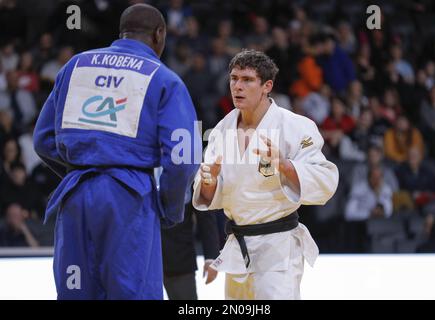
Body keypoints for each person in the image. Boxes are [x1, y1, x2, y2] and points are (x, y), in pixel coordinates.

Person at [33, 4, 200, 300]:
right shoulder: (165, 79)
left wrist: (83, 172)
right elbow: (183, 159)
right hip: (129, 198)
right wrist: (169, 208)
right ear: (159, 35)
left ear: (121, 33)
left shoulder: (75, 66)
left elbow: (43, 140)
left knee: (76, 294)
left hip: (75, 196)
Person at [192, 49, 339, 300]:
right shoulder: (221, 130)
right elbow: (208, 196)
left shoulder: (294, 126)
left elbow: (326, 180)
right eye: (234, 78)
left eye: (247, 80)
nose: (237, 86)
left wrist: (285, 165)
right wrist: (210, 181)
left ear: (266, 86)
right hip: (237, 249)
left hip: (277, 248)